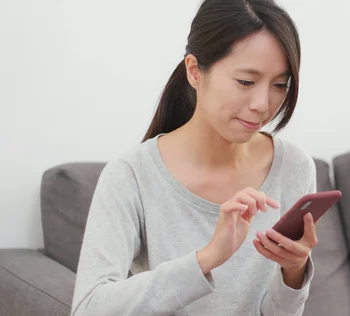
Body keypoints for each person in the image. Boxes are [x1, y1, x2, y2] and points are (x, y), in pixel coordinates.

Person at [70, 0, 319, 315]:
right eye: (246, 81)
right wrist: (209, 257)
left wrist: (294, 270)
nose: (262, 104)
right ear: (194, 71)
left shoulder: (294, 167)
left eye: (279, 85)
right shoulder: (131, 175)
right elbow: (89, 308)